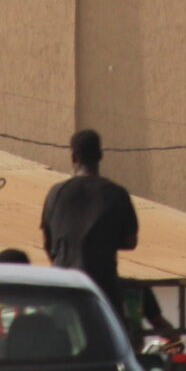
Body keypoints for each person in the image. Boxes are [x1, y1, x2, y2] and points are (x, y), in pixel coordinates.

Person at [41, 129, 141, 324]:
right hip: (103, 292)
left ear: (73, 158)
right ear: (100, 156)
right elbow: (131, 241)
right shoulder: (116, 193)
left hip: (63, 288)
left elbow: (48, 242)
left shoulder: (56, 193)